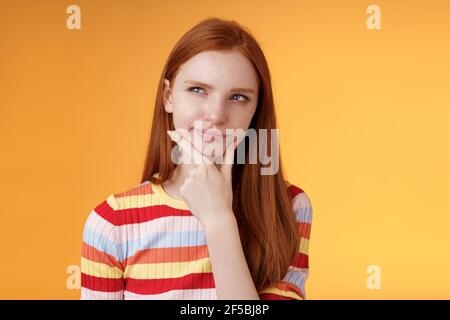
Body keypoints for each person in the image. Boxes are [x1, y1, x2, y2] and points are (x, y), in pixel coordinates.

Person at [80, 17, 312, 300]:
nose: (216, 115)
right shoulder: (112, 222)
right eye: (198, 90)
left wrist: (219, 221)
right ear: (168, 96)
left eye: (238, 97)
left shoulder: (289, 207)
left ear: (255, 111)